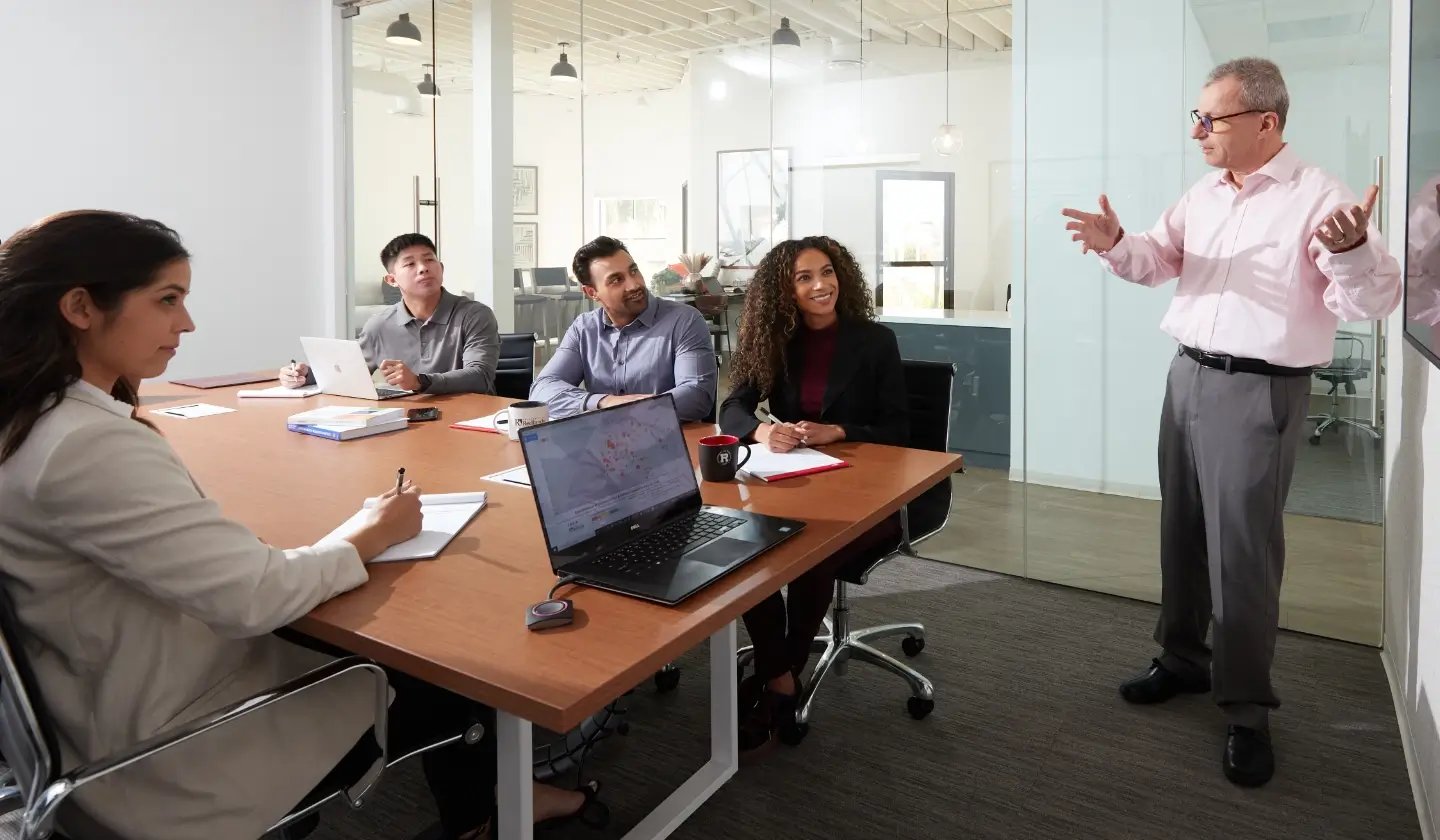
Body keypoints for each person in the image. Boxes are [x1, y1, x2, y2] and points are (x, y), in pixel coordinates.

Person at [0, 212, 600, 839]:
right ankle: (488, 816)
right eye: (168, 300)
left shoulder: (32, 421)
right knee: (453, 670)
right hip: (165, 750)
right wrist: (370, 531)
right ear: (80, 308)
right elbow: (256, 596)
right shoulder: (86, 443)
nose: (187, 323)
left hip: (93, 714)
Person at [1061, 58, 1402, 787]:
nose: (1197, 131)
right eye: (1198, 116)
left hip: (1260, 388)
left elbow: (1368, 304)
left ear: (1266, 122)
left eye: (1209, 118)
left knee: (1242, 551)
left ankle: (1247, 708)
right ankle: (1184, 658)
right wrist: (1116, 241)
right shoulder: (1206, 194)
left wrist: (1353, 252)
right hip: (1186, 375)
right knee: (1181, 529)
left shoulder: (1320, 197)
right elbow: (1158, 260)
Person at [718, 235, 908, 758]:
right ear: (785, 292)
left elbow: (900, 429)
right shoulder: (775, 341)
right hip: (798, 481)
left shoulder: (876, 341)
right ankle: (781, 676)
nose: (821, 285)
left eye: (827, 272)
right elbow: (732, 409)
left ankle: (779, 680)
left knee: (810, 554)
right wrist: (762, 432)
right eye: (804, 278)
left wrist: (838, 430)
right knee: (747, 550)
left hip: (869, 492)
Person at [282, 233, 500, 395]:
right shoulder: (379, 325)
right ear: (392, 280)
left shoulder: (475, 315)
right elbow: (350, 370)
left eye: (429, 260)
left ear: (441, 268)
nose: (423, 268)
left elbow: (480, 376)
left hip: (467, 421)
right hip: (408, 422)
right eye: (410, 264)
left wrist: (419, 381)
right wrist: (304, 375)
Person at [529, 236, 718, 420]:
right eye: (616, 280)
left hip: (671, 436)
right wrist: (604, 402)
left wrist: (630, 408)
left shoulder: (684, 320)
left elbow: (697, 396)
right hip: (602, 438)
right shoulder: (584, 328)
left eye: (633, 271)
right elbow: (542, 390)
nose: (634, 284)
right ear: (592, 292)